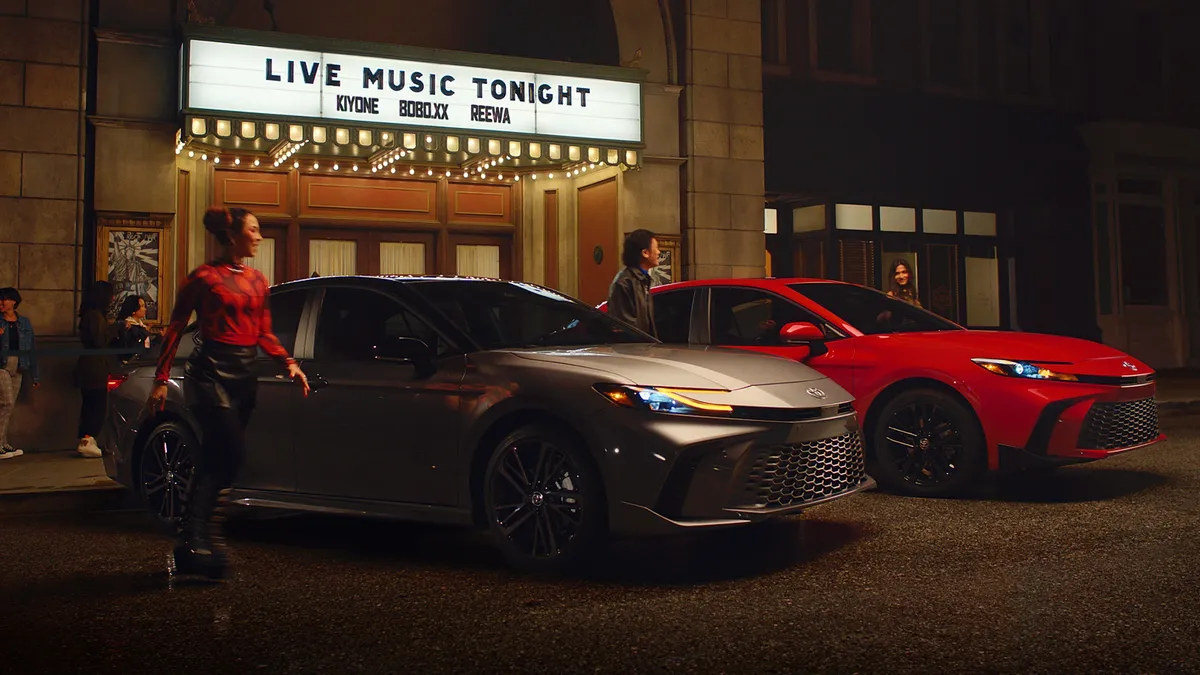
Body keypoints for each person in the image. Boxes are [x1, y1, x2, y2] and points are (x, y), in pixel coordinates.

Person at [147, 206, 309, 578]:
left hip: (244, 374)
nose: (259, 236)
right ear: (232, 234)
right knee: (229, 449)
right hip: (209, 373)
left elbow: (264, 331)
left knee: (223, 458)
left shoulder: (257, 279)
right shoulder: (203, 277)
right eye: (253, 229)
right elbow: (174, 327)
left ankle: (197, 537)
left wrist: (289, 363)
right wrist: (160, 379)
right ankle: (199, 532)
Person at [74, 281, 116, 458]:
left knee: (90, 404)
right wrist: (115, 329)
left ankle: (87, 439)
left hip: (89, 365)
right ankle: (88, 438)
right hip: (95, 366)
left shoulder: (90, 315)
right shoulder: (96, 316)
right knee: (96, 404)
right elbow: (100, 341)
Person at [0, 287, 38, 459]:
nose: (2, 303)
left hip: (20, 364)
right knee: (6, 403)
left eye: (5, 299)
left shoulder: (24, 322)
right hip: (2, 364)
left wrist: (35, 375)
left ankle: (3, 442)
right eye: (0, 299)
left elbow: (31, 348)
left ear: (14, 301)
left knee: (9, 406)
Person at [607, 229, 660, 338]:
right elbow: (625, 327)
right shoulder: (624, 282)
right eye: (656, 248)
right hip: (635, 351)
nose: (659, 252)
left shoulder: (643, 279)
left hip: (645, 350)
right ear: (645, 253)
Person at [113, 294, 154, 362]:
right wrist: (145, 332)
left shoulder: (141, 326)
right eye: (142, 306)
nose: (145, 309)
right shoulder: (127, 326)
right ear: (133, 310)